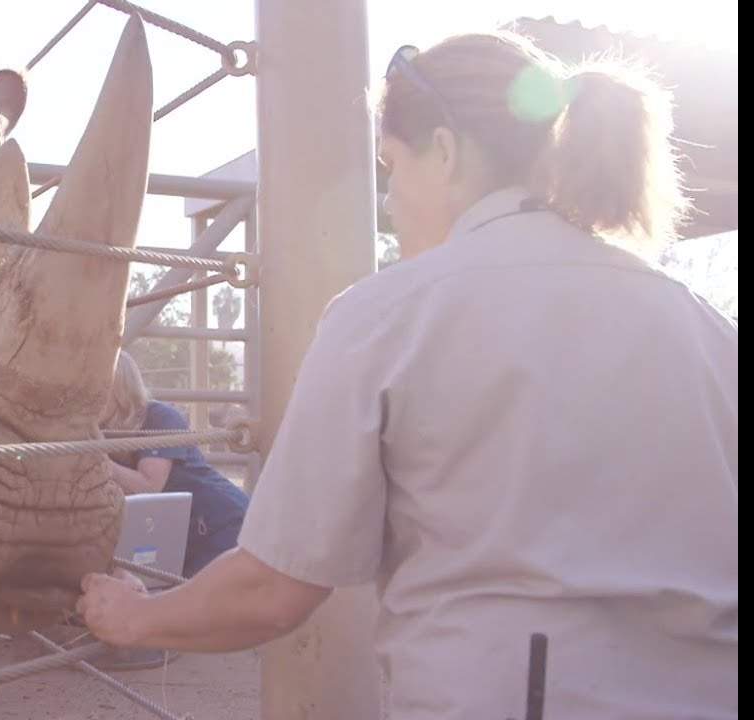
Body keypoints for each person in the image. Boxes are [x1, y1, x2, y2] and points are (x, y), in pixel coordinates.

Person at [78, 31, 737, 718]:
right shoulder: (705, 326)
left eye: (392, 167)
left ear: (445, 152)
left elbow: (274, 590)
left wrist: (136, 617)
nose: (389, 205)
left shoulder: (388, 314)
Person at [100, 349, 250, 578]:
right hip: (180, 538)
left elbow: (150, 487)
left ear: (117, 388)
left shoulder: (158, 415)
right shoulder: (102, 431)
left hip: (222, 522)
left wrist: (96, 459)